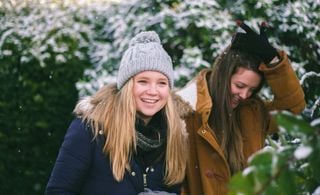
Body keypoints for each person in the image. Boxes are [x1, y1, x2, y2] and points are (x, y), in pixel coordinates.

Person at [45, 31, 188, 195]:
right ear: (127, 86)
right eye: (143, 81)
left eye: (162, 83)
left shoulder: (173, 136)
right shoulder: (90, 130)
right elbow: (58, 191)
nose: (153, 91)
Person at [176, 21, 306, 195]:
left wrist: (274, 62)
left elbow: (293, 109)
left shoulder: (253, 111)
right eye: (239, 85)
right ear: (223, 75)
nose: (244, 95)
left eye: (252, 90)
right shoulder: (186, 110)